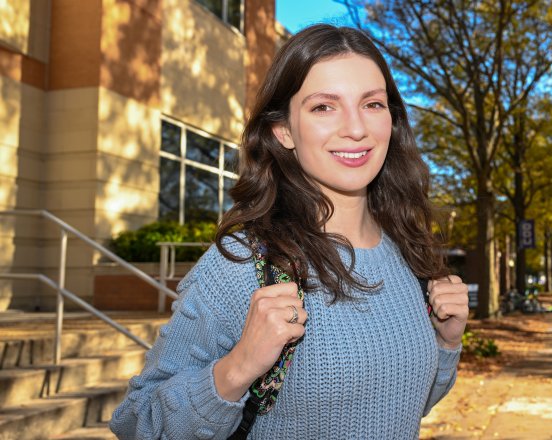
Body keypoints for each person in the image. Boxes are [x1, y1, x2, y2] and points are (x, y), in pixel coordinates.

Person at [110, 24, 469, 439]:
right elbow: (136, 423)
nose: (356, 128)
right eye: (323, 107)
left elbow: (401, 403)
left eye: (372, 104)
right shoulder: (245, 263)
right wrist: (238, 367)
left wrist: (445, 344)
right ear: (283, 130)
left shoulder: (410, 254)